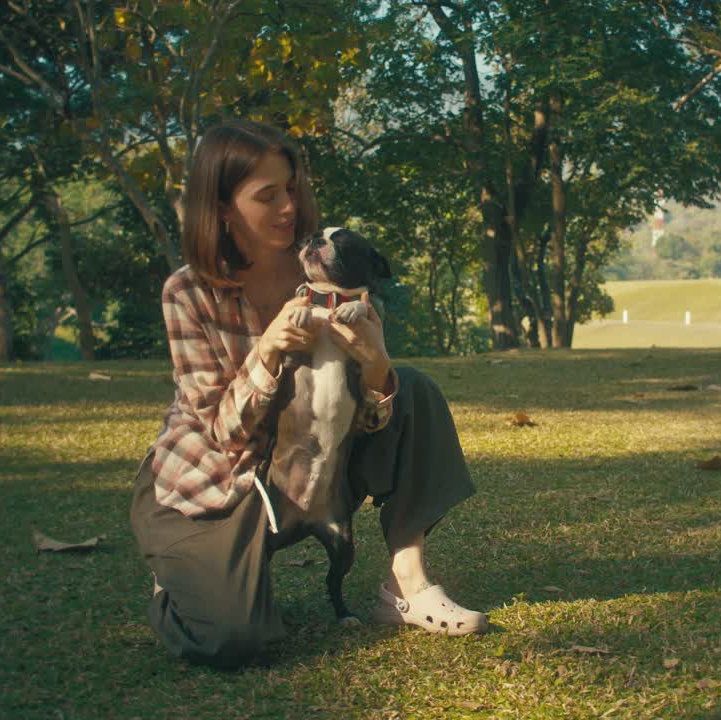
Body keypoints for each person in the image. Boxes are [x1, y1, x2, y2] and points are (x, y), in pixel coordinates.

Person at [129, 119, 488, 668]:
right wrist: (267, 351)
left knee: (412, 388)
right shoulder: (188, 291)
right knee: (232, 640)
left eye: (292, 189)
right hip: (216, 481)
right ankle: (182, 576)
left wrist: (375, 368)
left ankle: (407, 587)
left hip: (309, 464)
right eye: (267, 196)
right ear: (222, 208)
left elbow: (360, 415)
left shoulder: (336, 273)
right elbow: (222, 432)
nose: (289, 208)